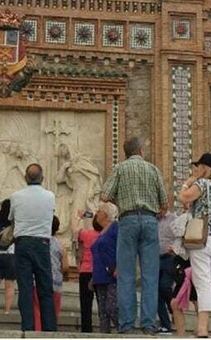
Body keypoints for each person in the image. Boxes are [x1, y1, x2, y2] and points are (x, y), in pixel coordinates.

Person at [101, 136, 167, 334]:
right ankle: (148, 323)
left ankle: (127, 324)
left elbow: (104, 196)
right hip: (149, 220)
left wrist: (120, 201)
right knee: (150, 275)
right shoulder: (153, 169)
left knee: (126, 274)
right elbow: (164, 203)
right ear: (140, 151)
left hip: (127, 220)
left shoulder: (120, 169)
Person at [179, 153, 211, 338]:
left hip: (202, 239)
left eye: (197, 167)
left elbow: (184, 197)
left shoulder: (202, 184)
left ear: (203, 168)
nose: (195, 170)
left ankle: (202, 329)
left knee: (203, 282)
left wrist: (188, 182)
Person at [9, 163, 56, 332]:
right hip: (42, 243)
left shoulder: (16, 196)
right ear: (42, 178)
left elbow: (12, 219)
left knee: (25, 288)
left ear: (25, 178)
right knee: (45, 288)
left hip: (22, 243)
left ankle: (27, 328)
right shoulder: (50, 196)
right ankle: (49, 329)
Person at [32, 215, 67, 331]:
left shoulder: (38, 242)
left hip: (38, 280)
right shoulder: (60, 245)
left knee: (37, 311)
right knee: (54, 312)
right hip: (56, 283)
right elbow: (65, 266)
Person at [90, 202, 119, 333]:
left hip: (112, 275)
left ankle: (124, 331)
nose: (97, 213)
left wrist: (119, 266)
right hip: (99, 276)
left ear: (106, 215)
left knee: (111, 308)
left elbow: (121, 247)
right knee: (102, 313)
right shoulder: (101, 232)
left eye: (100, 211)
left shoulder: (115, 227)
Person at [70, 208, 100, 333]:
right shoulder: (104, 235)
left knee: (85, 303)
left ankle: (86, 329)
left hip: (86, 271)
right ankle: (104, 326)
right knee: (101, 302)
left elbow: (74, 229)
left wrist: (79, 217)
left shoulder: (87, 234)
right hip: (100, 272)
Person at [158, 204, 178, 334]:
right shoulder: (153, 220)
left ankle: (174, 309)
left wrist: (175, 248)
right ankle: (165, 325)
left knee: (165, 286)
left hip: (170, 257)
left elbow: (179, 236)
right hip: (156, 259)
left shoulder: (173, 219)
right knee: (156, 293)